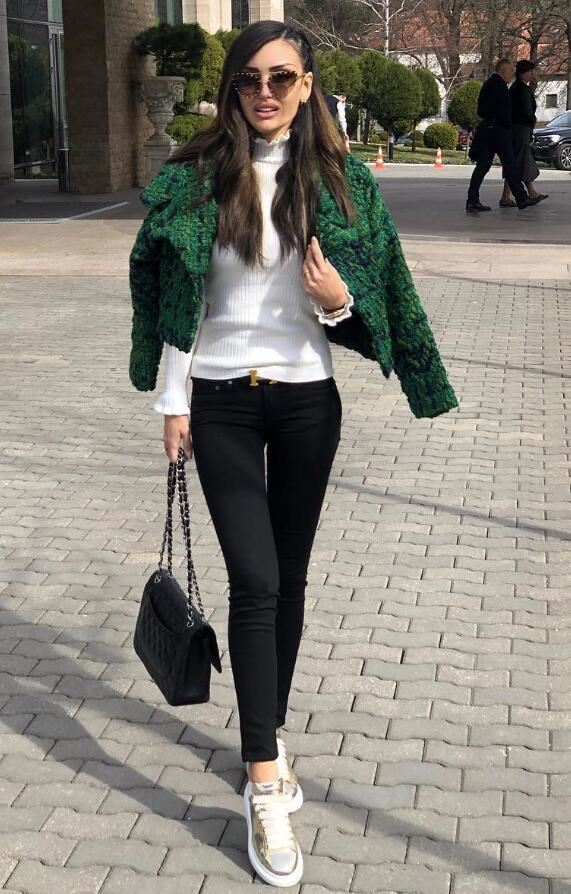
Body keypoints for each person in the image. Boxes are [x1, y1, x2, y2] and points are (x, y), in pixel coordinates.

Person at [128, 20, 457, 888]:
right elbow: (176, 295)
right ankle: (264, 779)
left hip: (309, 401)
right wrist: (172, 401)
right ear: (231, 90)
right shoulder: (194, 178)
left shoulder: (343, 185)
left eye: (280, 77)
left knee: (291, 580)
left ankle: (263, 731)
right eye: (248, 79)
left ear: (309, 85)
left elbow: (380, 302)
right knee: (256, 581)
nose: (264, 92)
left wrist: (340, 301)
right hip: (222, 404)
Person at [466, 58, 534, 212]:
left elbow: (481, 110)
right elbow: (504, 112)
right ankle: (522, 198)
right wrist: (507, 125)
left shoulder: (487, 85)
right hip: (499, 131)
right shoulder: (501, 87)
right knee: (510, 164)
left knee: (482, 166)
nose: (512, 74)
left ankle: (472, 200)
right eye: (511, 71)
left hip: (487, 129)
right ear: (503, 71)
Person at [499, 59, 548, 207]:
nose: (532, 75)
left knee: (514, 161)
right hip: (521, 129)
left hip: (513, 129)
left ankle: (507, 196)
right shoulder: (523, 90)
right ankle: (529, 193)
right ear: (522, 73)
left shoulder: (513, 88)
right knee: (521, 160)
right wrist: (533, 120)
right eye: (530, 72)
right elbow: (527, 111)